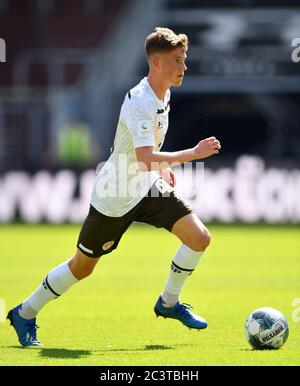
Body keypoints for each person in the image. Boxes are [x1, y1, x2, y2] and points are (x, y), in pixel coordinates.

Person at [7, 27, 221, 347]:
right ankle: (24, 313)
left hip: (146, 185)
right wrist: (192, 154)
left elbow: (147, 156)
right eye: (177, 60)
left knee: (199, 237)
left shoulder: (166, 92)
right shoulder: (140, 100)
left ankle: (169, 302)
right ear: (157, 63)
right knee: (82, 267)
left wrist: (161, 168)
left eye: (184, 60)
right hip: (116, 194)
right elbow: (144, 157)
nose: (184, 67)